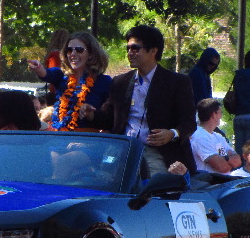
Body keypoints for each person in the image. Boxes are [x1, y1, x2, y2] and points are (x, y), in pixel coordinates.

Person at [81, 25, 197, 176]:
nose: (130, 53)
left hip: (157, 152)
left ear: (153, 51)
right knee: (103, 179)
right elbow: (108, 119)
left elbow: (189, 123)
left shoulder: (177, 82)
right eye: (128, 48)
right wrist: (92, 115)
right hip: (122, 150)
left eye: (135, 48)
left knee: (155, 186)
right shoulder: (120, 82)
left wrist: (172, 133)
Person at [28, 31, 112, 131]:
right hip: (60, 139)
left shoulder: (103, 81)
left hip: (88, 141)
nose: (73, 54)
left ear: (90, 54)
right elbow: (46, 74)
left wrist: (91, 114)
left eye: (79, 50)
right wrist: (39, 68)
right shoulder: (61, 77)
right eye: (69, 50)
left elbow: (108, 119)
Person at [190, 98, 241, 174]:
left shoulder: (218, 136)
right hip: (210, 184)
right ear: (214, 114)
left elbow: (238, 161)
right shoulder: (199, 136)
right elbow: (223, 168)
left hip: (224, 182)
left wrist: (224, 159)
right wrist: (229, 161)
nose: (221, 115)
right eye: (220, 112)